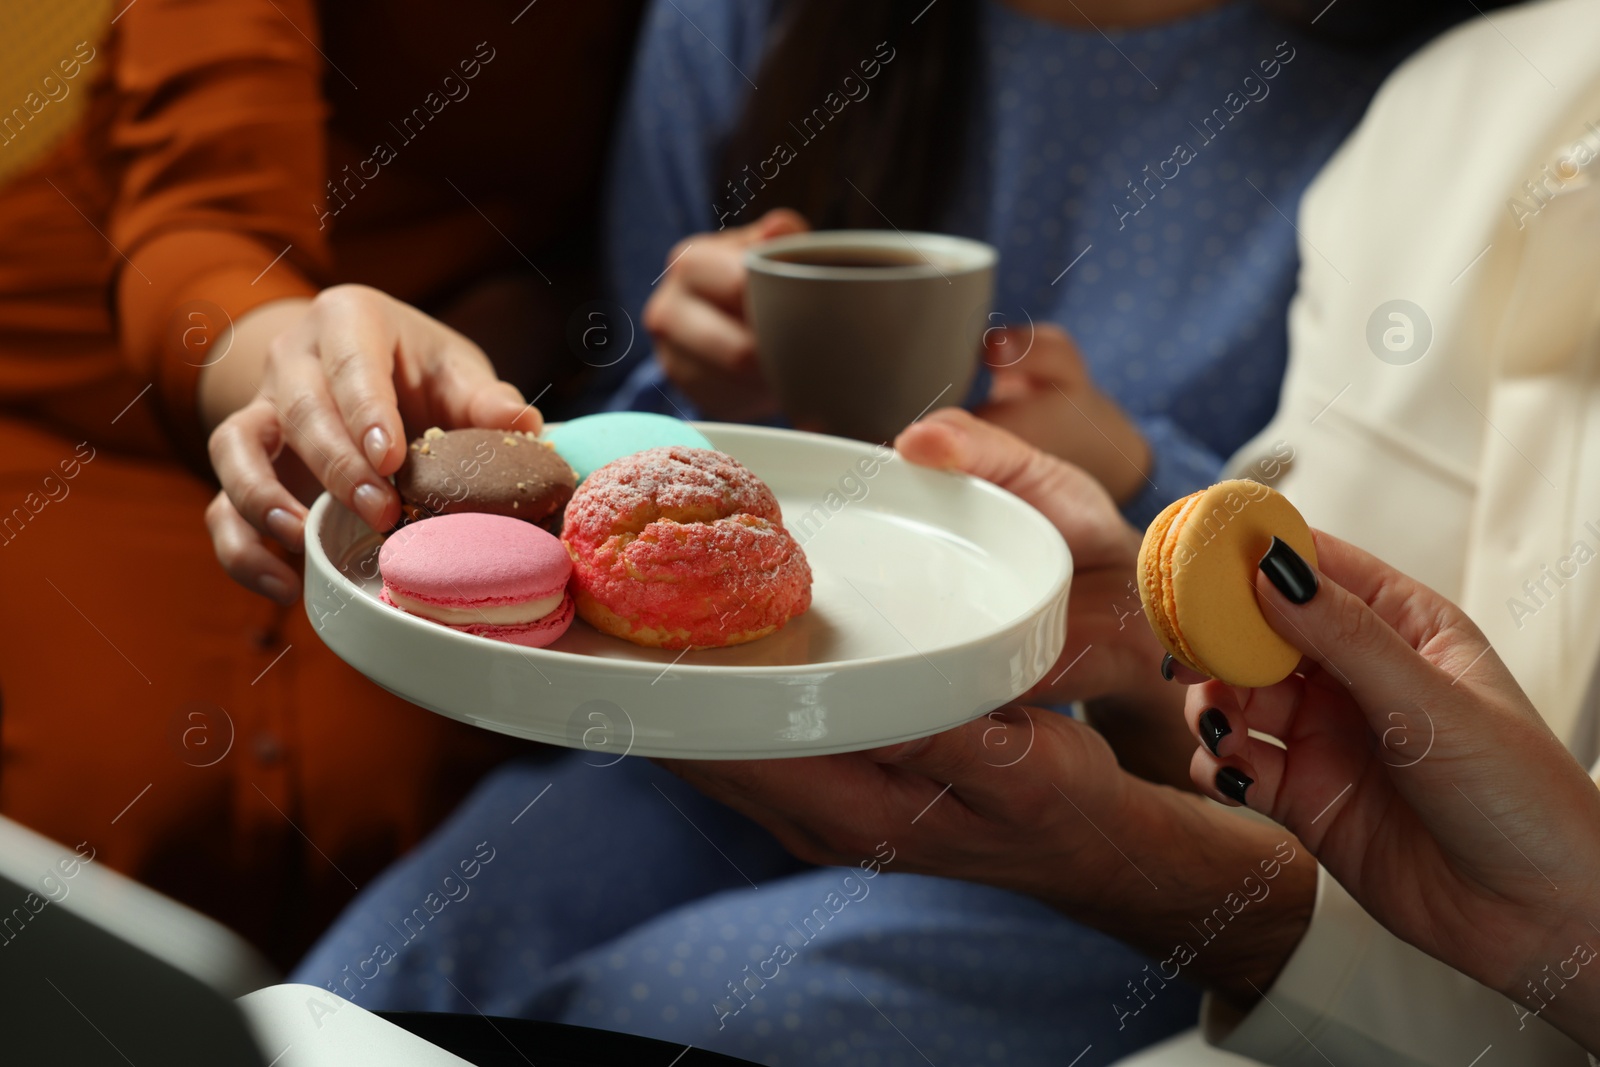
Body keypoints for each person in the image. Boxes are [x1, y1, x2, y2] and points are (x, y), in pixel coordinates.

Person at [292, 0, 1600, 1061]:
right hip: (730, 708)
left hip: (1116, 774)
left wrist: (1140, 474)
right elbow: (610, 472)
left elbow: (1296, 579)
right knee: (377, 977)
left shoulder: (1416, 88)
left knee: (668, 1006)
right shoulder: (746, 25)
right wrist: (709, 391)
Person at [0, 0, 643, 965]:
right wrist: (288, 366)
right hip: (105, 386)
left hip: (444, 417)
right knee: (114, 812)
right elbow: (203, 210)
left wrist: (546, 312)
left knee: (388, 805)